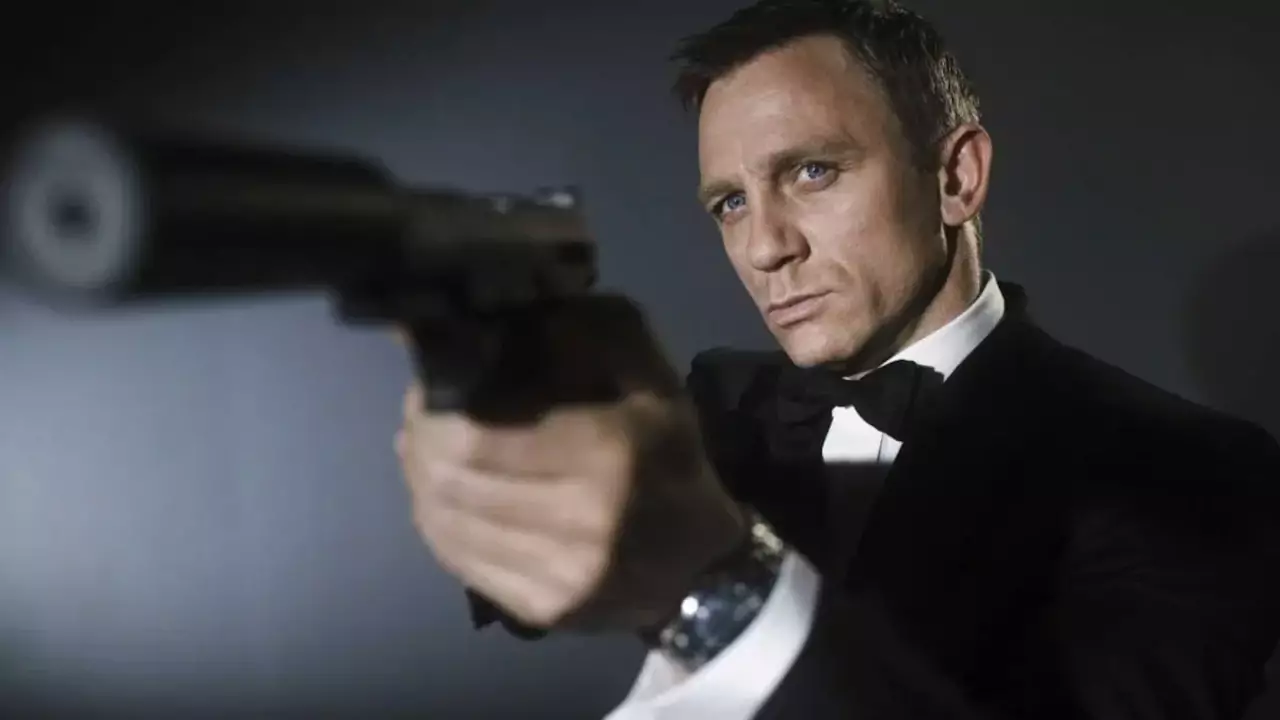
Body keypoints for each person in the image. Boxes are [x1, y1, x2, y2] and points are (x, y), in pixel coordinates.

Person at [393, 0, 1280, 717]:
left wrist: (714, 583)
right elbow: (527, 587)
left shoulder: (1197, 473)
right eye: (730, 204)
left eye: (812, 171)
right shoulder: (722, 406)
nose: (764, 247)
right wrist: (499, 409)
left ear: (956, 178)